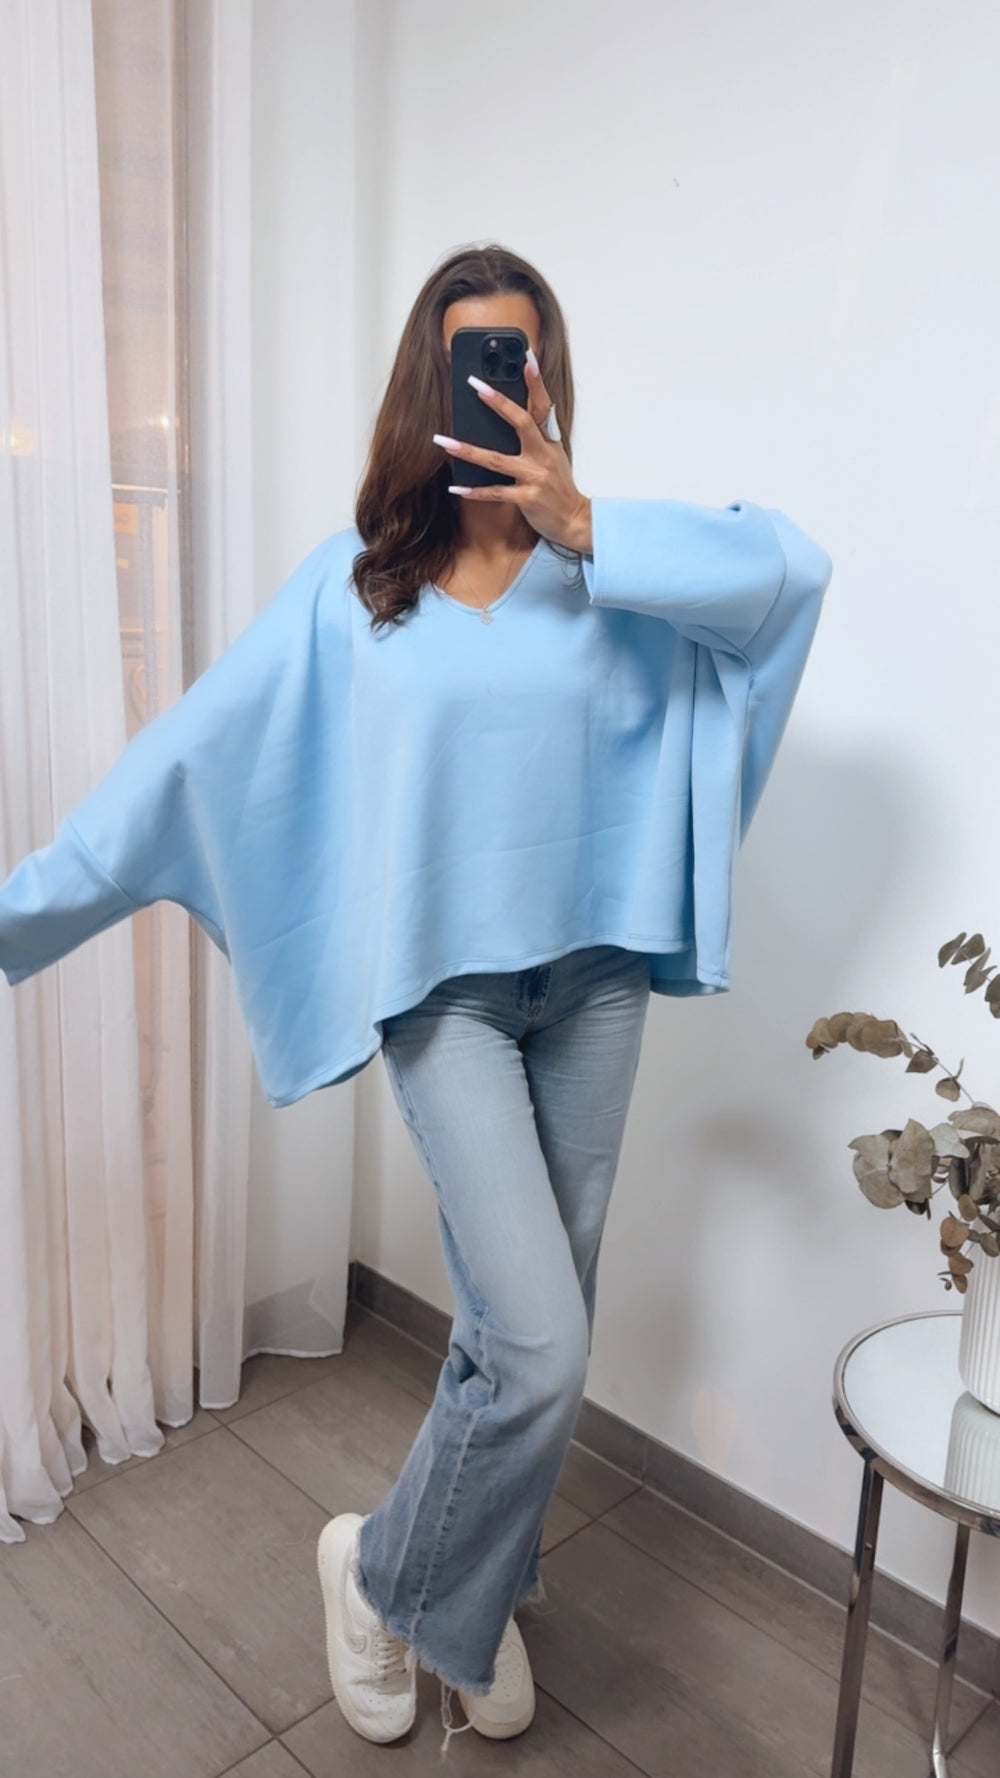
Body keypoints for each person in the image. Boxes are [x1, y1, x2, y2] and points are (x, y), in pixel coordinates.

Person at [0, 243, 833, 1756]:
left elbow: (792, 577)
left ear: (551, 384)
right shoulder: (356, 590)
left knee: (524, 1329)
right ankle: (385, 1574)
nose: (501, 386)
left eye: (524, 358)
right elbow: (179, 766)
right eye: (474, 360)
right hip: (444, 1002)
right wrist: (18, 915)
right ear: (426, 388)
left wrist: (589, 522)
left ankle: (468, 1585)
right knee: (542, 1344)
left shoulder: (615, 572)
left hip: (597, 983)